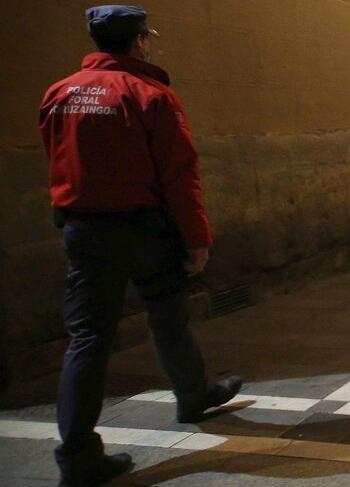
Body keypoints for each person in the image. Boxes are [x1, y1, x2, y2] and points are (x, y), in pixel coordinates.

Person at [39, 6, 242, 485]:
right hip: (143, 229)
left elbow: (58, 158)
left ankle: (77, 454)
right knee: (168, 313)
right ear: (138, 41)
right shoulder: (150, 94)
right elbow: (179, 175)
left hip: (85, 229)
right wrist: (197, 240)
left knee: (88, 339)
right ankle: (192, 394)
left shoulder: (59, 92)